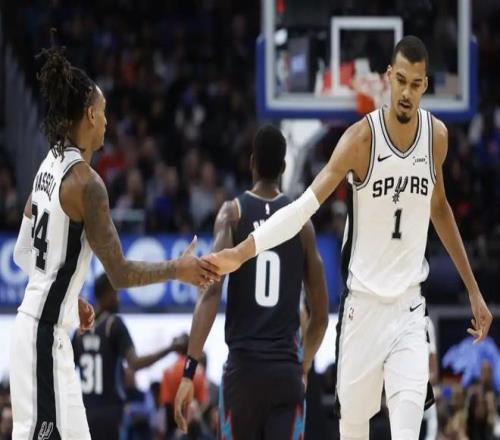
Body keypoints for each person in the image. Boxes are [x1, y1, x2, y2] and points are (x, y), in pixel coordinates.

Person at [205, 36, 493, 440]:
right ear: (388, 77)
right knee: (353, 432)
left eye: (415, 84)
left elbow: (440, 207)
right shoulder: (361, 139)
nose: (406, 93)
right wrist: (242, 251)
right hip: (362, 310)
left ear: (425, 85)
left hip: (409, 309)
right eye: (401, 81)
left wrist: (474, 291)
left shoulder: (436, 137)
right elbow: (303, 208)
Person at [10, 36, 218, 440]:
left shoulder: (47, 164)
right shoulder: (87, 184)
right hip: (42, 336)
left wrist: (69, 296)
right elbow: (119, 274)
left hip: (48, 334)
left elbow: (23, 252)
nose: (107, 122)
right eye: (103, 112)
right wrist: (178, 269)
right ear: (90, 115)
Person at [175, 125, 329, 439]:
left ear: (251, 163)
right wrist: (302, 365)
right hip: (285, 371)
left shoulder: (233, 214)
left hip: (243, 372)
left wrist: (190, 371)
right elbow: (321, 317)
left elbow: (210, 293)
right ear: (284, 167)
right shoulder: (302, 224)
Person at [72, 273, 185, 439]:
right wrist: (170, 348)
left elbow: (66, 371)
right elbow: (135, 363)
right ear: (105, 294)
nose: (118, 299)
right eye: (115, 293)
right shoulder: (113, 324)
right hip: (111, 413)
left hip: (84, 413)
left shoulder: (79, 332)